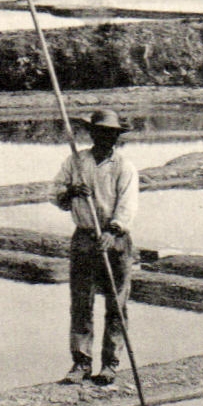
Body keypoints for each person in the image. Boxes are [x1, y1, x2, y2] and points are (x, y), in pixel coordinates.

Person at [52, 110, 138, 385]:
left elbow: (127, 206)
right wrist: (72, 192)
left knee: (116, 304)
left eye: (111, 134)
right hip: (85, 238)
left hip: (116, 240)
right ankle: (81, 363)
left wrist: (113, 232)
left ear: (116, 137)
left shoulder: (124, 167)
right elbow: (55, 195)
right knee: (81, 303)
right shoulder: (76, 162)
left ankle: (111, 364)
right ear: (92, 134)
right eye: (100, 132)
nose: (105, 137)